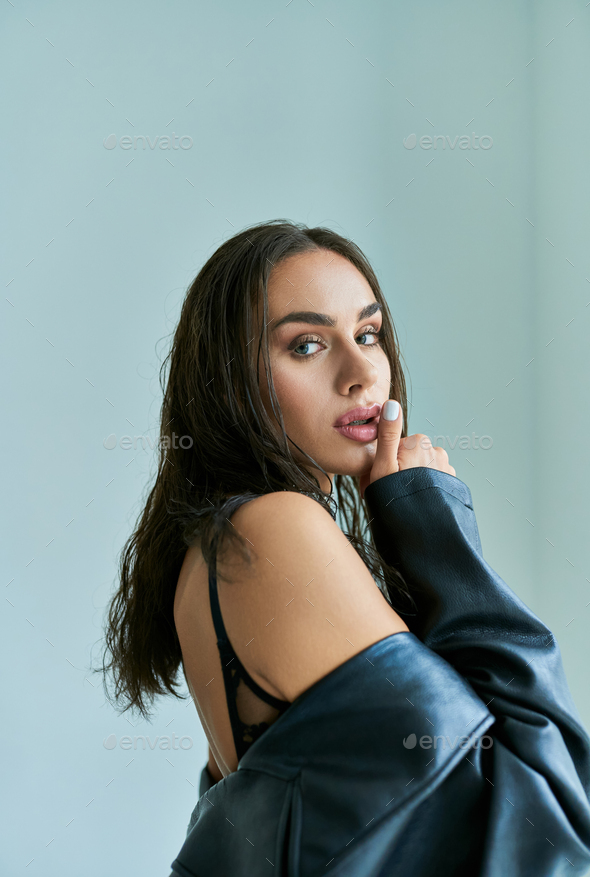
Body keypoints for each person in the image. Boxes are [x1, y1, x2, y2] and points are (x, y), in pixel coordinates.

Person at [98, 220, 590, 876]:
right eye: (306, 345)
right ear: (230, 380)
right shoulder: (275, 529)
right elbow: (544, 814)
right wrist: (438, 532)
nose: (362, 374)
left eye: (367, 334)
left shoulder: (217, 548)